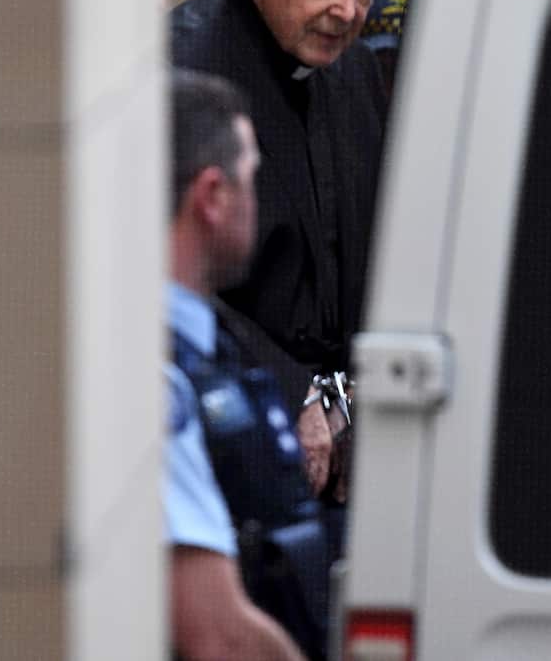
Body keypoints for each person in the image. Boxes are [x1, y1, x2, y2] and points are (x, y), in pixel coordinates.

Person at [169, 0, 386, 474]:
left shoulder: (355, 69)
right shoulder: (184, 72)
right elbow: (164, 271)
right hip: (231, 416)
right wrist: (294, 389)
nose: (346, 10)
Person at [165, 69, 336, 661]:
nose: (256, 205)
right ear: (212, 197)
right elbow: (219, 636)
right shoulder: (161, 378)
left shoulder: (206, 339)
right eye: (250, 180)